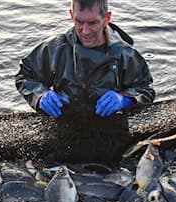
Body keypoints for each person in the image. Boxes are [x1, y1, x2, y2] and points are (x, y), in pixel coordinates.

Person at [15, 0, 155, 120]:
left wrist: (126, 99)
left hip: (110, 123)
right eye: (79, 22)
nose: (85, 31)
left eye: (93, 23)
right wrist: (40, 96)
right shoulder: (56, 49)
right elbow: (25, 75)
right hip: (64, 121)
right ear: (71, 15)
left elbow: (145, 89)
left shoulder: (125, 55)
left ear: (107, 18)